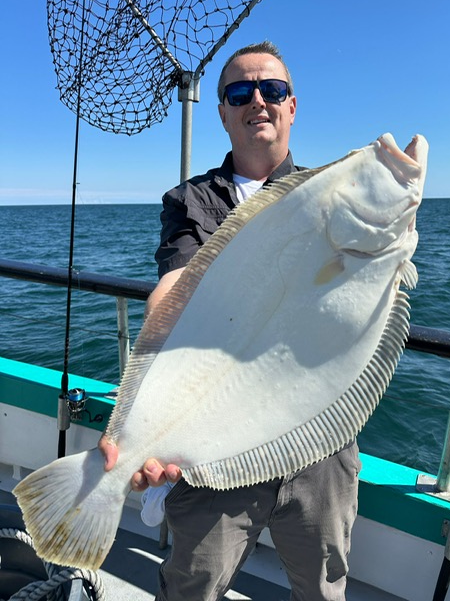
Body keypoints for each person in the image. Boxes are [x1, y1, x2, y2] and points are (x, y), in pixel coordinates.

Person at [99, 40, 361, 601]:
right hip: (213, 443)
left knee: (323, 589)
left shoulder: (330, 199)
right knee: (192, 586)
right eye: (240, 91)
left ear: (292, 106)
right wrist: (136, 424)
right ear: (221, 110)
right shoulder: (190, 201)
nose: (258, 100)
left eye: (273, 89)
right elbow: (175, 286)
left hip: (317, 446)